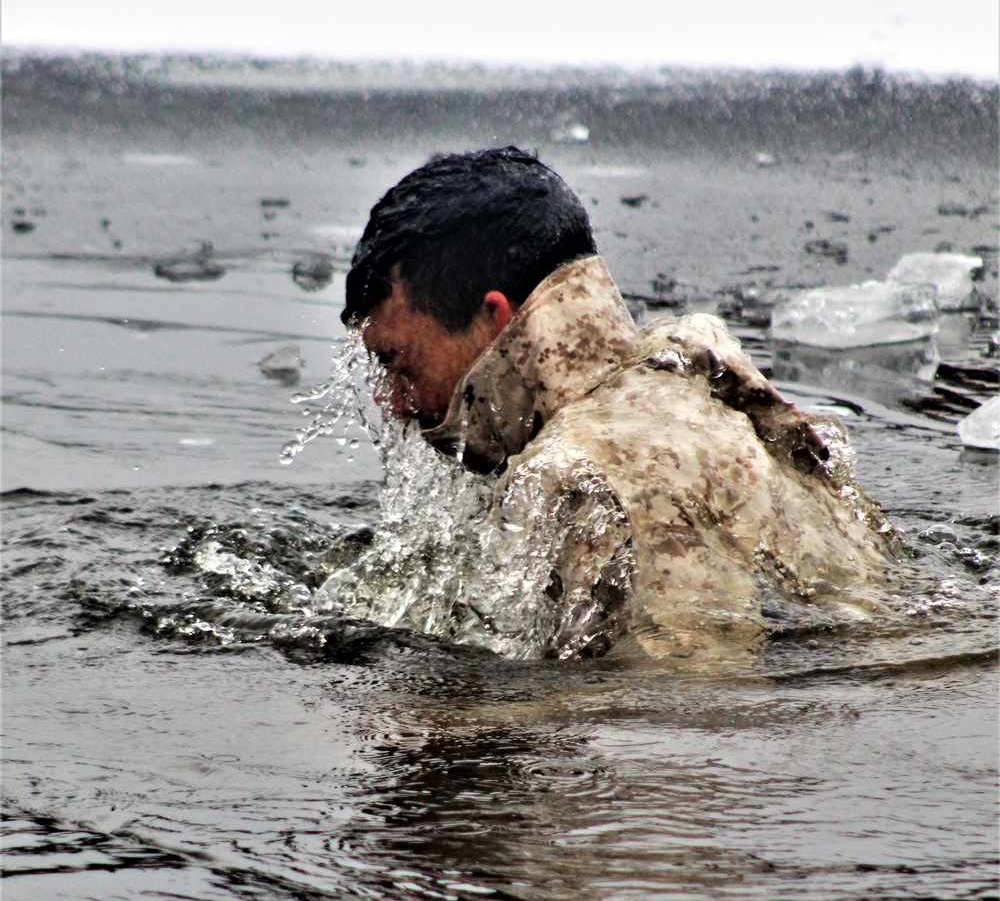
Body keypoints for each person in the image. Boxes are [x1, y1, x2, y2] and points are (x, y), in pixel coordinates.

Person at [342, 147, 895, 659]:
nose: (392, 402)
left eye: (397, 363)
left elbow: (683, 708)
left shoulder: (576, 475)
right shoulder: (689, 371)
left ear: (496, 318)